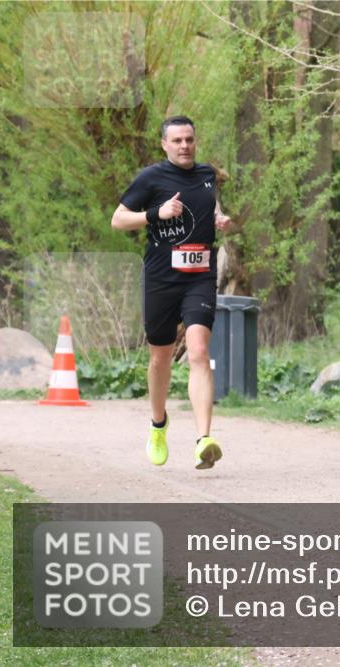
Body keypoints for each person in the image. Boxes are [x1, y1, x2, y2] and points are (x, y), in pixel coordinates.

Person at [111, 116, 234, 470]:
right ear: (164, 144)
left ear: (196, 141)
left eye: (189, 140)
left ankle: (204, 440)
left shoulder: (207, 174)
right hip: (161, 278)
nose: (184, 146)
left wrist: (219, 218)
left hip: (199, 277)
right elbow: (118, 220)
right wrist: (156, 213)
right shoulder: (151, 178)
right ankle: (158, 424)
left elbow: (208, 205)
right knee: (160, 357)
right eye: (177, 140)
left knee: (198, 350)